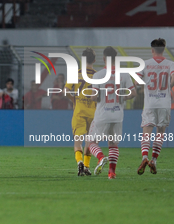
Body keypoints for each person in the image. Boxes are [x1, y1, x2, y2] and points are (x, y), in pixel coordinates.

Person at [87, 46, 136, 179]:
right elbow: (133, 93)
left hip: (102, 114)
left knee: (90, 141)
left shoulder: (98, 75)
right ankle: (112, 173)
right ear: (116, 59)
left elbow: (94, 97)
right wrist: (123, 97)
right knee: (113, 144)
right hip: (117, 115)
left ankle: (101, 157)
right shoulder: (124, 74)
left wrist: (95, 97)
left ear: (103, 59)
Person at [136, 38, 174, 175]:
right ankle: (154, 160)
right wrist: (167, 87)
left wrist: (145, 85)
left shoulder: (145, 64)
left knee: (146, 132)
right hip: (164, 103)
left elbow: (137, 81)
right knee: (160, 133)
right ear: (163, 49)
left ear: (152, 50)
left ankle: (145, 157)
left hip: (150, 103)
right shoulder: (170, 64)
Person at [64, 48, 96, 176]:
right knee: (90, 141)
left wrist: (74, 100)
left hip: (79, 111)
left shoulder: (75, 74)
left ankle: (79, 163)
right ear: (94, 60)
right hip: (93, 113)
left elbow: (65, 91)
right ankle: (87, 166)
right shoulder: (99, 75)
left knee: (78, 140)